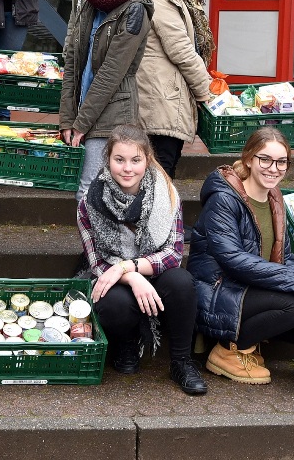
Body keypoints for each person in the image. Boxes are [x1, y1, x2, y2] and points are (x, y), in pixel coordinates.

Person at [187, 128, 294, 385]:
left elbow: (285, 258)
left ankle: (257, 336)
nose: (273, 168)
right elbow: (232, 259)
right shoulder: (224, 199)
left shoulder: (275, 197)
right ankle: (229, 351)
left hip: (257, 288)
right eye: (264, 159)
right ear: (248, 159)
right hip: (220, 291)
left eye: (281, 162)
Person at [78, 125, 206, 395]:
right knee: (112, 303)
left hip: (152, 268)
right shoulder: (89, 202)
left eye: (135, 160)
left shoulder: (167, 194)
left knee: (182, 283)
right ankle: (127, 343)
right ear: (107, 160)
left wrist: (130, 266)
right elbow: (97, 262)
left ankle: (181, 361)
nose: (127, 168)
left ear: (147, 160)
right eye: (119, 159)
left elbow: (173, 254)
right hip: (115, 275)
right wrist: (131, 276)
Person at [59, 0, 152, 201]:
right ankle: (101, 244)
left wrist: (81, 124)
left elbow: (112, 72)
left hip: (114, 112)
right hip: (83, 109)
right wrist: (67, 117)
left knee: (90, 191)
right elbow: (74, 62)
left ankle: (103, 244)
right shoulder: (90, 0)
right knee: (95, 192)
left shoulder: (136, 9)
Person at [136, 0, 215, 178]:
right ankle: (156, 216)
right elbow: (180, 49)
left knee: (160, 173)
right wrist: (206, 92)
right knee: (160, 173)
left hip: (167, 94)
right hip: (161, 96)